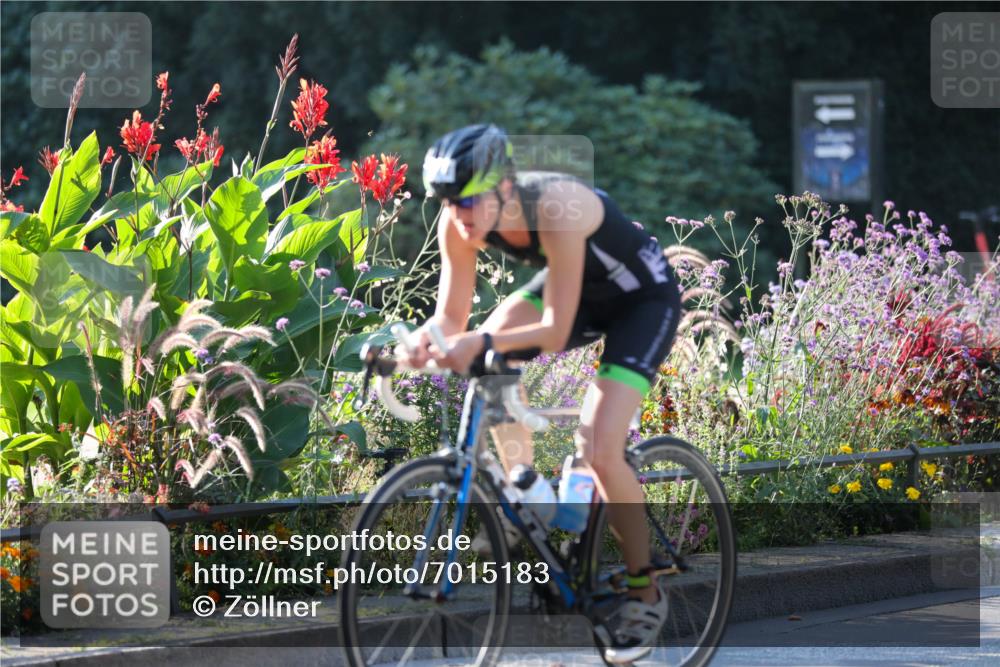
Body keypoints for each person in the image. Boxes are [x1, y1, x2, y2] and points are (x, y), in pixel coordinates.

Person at [398, 123, 681, 663]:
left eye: (469, 200)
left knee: (600, 445)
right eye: (448, 203)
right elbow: (450, 320)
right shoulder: (456, 222)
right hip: (575, 293)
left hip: (641, 301)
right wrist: (418, 346)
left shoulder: (555, 206)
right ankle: (525, 482)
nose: (459, 215)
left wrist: (474, 340)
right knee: (489, 346)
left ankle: (646, 589)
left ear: (505, 186)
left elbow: (552, 332)